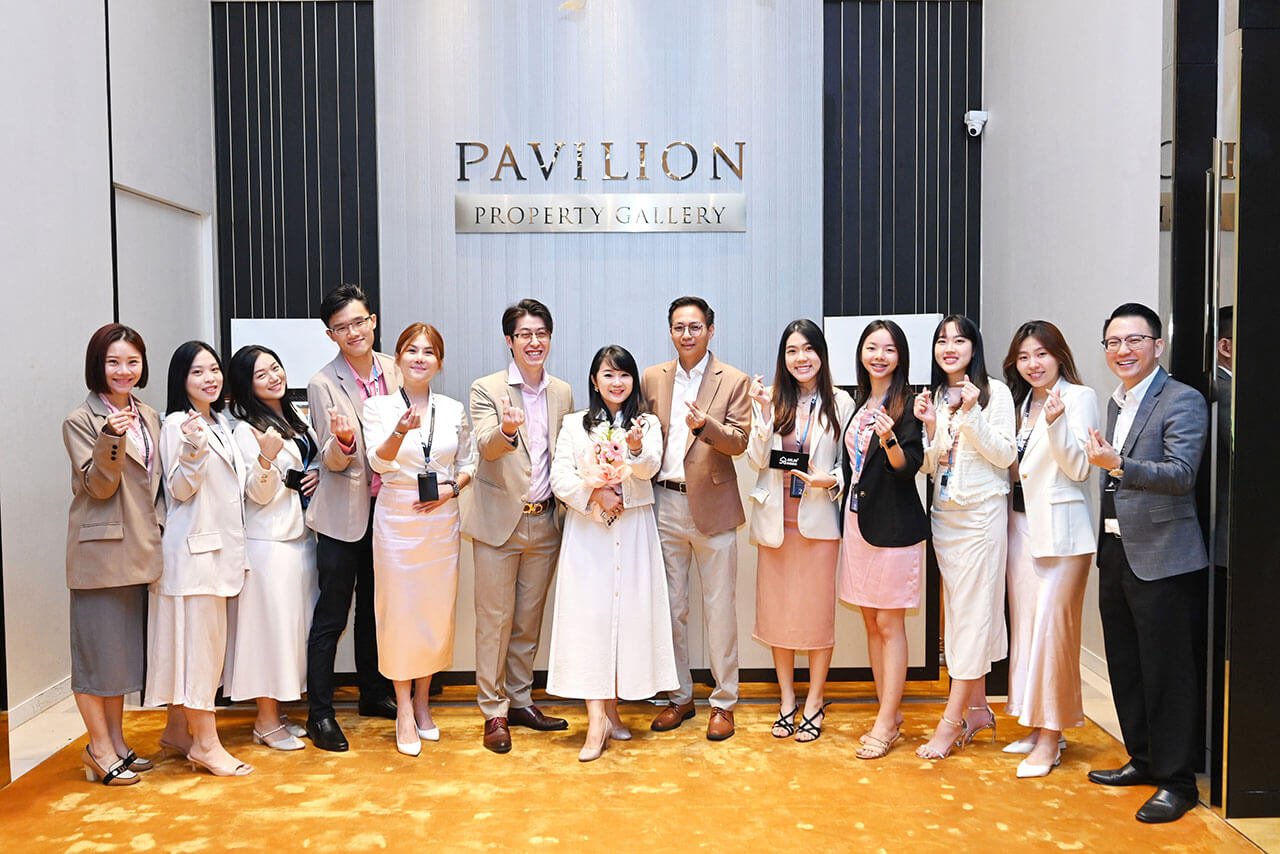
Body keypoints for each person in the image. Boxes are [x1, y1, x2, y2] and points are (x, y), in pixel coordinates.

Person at [1084, 302, 1209, 824]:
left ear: (1158, 345)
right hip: (1116, 552)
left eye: (1134, 340)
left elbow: (1181, 474)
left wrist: (1119, 464)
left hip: (1164, 557)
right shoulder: (1118, 401)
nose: (1123, 350)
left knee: (1168, 673)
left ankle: (1178, 783)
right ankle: (1145, 759)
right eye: (1113, 342)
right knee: (1128, 665)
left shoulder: (1182, 399)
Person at [545, 345, 678, 762]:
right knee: (591, 621)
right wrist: (595, 494)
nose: (616, 382)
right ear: (594, 380)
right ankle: (595, 721)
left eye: (623, 375)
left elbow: (650, 468)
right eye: (608, 374)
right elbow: (560, 478)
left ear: (633, 381)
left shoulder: (646, 423)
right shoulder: (574, 424)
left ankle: (613, 711)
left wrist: (635, 448)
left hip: (633, 529)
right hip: (589, 534)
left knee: (626, 618)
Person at [461, 299, 574, 753]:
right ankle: (493, 710)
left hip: (545, 521)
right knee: (494, 621)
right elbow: (486, 447)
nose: (534, 342)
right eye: (524, 334)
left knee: (528, 620)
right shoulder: (487, 388)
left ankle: (521, 700)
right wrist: (507, 431)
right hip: (498, 524)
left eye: (541, 333)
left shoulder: (562, 391)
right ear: (509, 341)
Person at [641, 296, 751, 742]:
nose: (686, 334)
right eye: (678, 327)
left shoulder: (734, 380)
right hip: (664, 504)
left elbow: (739, 442)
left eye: (695, 327)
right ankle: (679, 696)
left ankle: (723, 702)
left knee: (720, 610)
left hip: (714, 506)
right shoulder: (653, 376)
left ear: (710, 329)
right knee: (672, 609)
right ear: (670, 331)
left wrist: (707, 426)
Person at [364, 323, 475, 756]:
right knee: (400, 614)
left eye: (429, 352)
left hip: (441, 518)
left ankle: (425, 701)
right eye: (412, 350)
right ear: (398, 358)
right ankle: (404, 710)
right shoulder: (378, 407)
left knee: (433, 612)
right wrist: (399, 430)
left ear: (439, 362)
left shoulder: (451, 408)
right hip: (398, 516)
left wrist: (452, 490)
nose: (420, 358)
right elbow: (378, 461)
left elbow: (468, 463)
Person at [62, 324, 164, 786]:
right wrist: (109, 436)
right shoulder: (80, 420)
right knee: (94, 657)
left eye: (132, 361)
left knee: (119, 657)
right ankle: (98, 749)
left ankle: (118, 743)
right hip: (100, 555)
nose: (124, 371)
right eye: (113, 362)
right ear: (97, 366)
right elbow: (98, 486)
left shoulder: (149, 415)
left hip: (140, 548)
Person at [745, 320, 854, 743]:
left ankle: (815, 700)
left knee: (817, 616)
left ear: (821, 355)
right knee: (778, 615)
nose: (801, 358)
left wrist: (832, 480)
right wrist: (762, 414)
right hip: (777, 525)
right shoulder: (771, 399)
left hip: (818, 525)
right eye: (792, 351)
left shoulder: (840, 402)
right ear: (783, 358)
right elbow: (757, 459)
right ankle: (787, 698)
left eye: (808, 349)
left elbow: (850, 464)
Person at [148, 341, 253, 776]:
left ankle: (177, 730)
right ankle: (206, 745)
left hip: (215, 553)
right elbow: (179, 489)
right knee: (199, 651)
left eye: (213, 369)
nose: (209, 378)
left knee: (198, 645)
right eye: (197, 372)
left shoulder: (220, 422)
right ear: (181, 379)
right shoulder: (178, 423)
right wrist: (193, 449)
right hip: (193, 556)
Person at [913, 316, 1016, 760]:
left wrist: (971, 414)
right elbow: (930, 465)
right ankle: (976, 710)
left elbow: (1005, 454)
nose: (949, 347)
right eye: (942, 340)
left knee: (972, 617)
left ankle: (951, 721)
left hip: (980, 515)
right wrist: (930, 427)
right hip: (945, 517)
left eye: (959, 340)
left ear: (974, 347)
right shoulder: (936, 395)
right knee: (960, 616)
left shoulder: (995, 392)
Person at [304, 284, 401, 752]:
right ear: (331, 335)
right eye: (341, 327)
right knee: (332, 615)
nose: (353, 332)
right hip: (343, 515)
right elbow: (330, 459)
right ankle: (319, 714)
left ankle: (372, 692)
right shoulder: (323, 383)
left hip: (389, 511)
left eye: (359, 322)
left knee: (374, 610)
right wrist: (344, 443)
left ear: (373, 321)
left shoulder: (396, 369)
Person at [1000, 321, 1099, 777]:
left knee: (1054, 634)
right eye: (1024, 357)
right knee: (1027, 631)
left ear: (1059, 355)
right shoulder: (1019, 402)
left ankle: (1052, 736)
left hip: (1063, 536)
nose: (1033, 364)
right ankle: (1037, 725)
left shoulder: (1079, 397)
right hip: (1021, 529)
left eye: (1041, 354)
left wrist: (1056, 425)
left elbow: (1080, 469)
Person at [837, 319, 929, 760]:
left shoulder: (909, 403)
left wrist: (889, 437)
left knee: (890, 625)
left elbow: (907, 466)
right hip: (858, 523)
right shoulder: (859, 401)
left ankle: (886, 721)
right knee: (871, 623)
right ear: (861, 353)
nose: (879, 356)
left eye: (889, 349)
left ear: (900, 357)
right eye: (872, 347)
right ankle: (888, 714)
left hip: (893, 529)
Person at [225, 345, 320, 751]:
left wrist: (316, 476)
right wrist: (265, 461)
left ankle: (277, 712)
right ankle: (264, 721)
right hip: (269, 545)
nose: (273, 377)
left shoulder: (295, 418)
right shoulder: (245, 430)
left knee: (291, 632)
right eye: (260, 374)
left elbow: (311, 463)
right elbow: (256, 494)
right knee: (269, 633)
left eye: (275, 368)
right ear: (246, 384)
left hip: (301, 539)